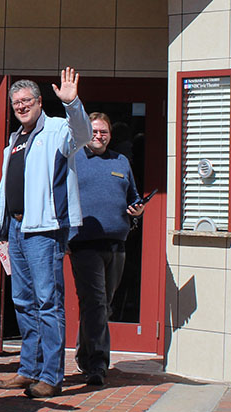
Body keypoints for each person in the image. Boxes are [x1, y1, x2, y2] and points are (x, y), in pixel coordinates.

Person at [0, 67, 93, 398]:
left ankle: (51, 375)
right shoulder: (15, 140)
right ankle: (28, 369)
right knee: (23, 301)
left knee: (48, 303)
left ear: (39, 102)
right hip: (18, 228)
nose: (20, 106)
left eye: (26, 101)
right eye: (15, 102)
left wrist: (72, 102)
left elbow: (83, 133)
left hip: (45, 230)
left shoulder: (58, 130)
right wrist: (3, 226)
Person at [68, 113, 144, 386]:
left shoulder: (120, 161)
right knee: (97, 303)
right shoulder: (73, 159)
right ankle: (97, 363)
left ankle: (84, 354)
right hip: (85, 244)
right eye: (95, 131)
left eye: (104, 132)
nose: (99, 136)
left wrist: (138, 209)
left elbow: (132, 196)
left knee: (100, 305)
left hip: (117, 243)